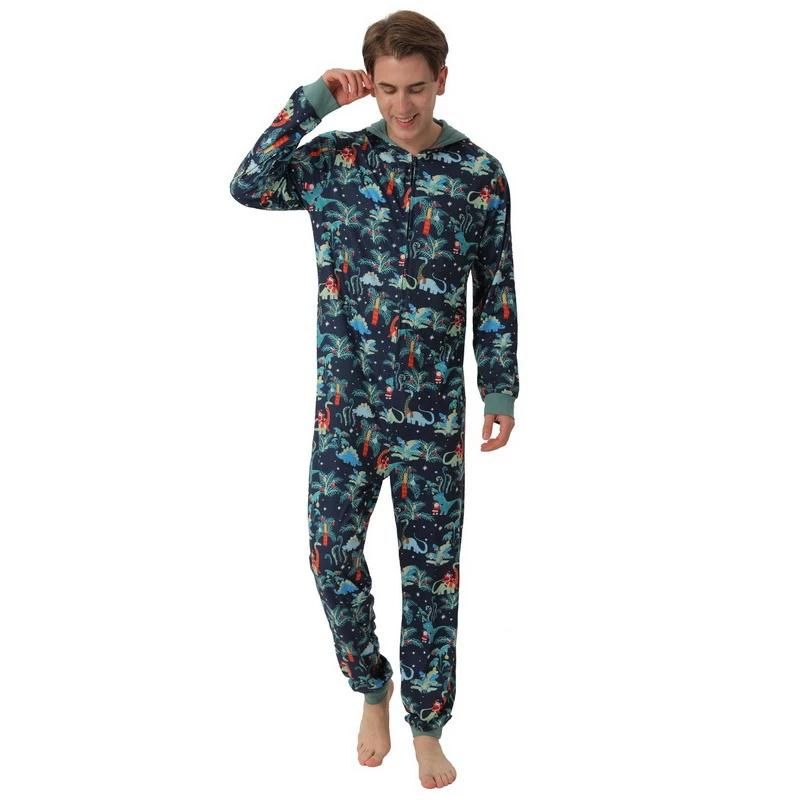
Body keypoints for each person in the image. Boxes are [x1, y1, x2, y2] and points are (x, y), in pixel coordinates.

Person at [229, 10, 518, 789]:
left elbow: (496, 289)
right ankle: (371, 687)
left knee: (432, 578)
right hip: (345, 413)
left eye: (415, 88)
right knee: (330, 557)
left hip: (433, 417)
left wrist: (499, 386)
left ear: (441, 80)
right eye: (387, 89)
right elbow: (248, 184)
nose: (401, 105)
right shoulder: (336, 162)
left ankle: (428, 725)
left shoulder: (479, 175)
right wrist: (315, 102)